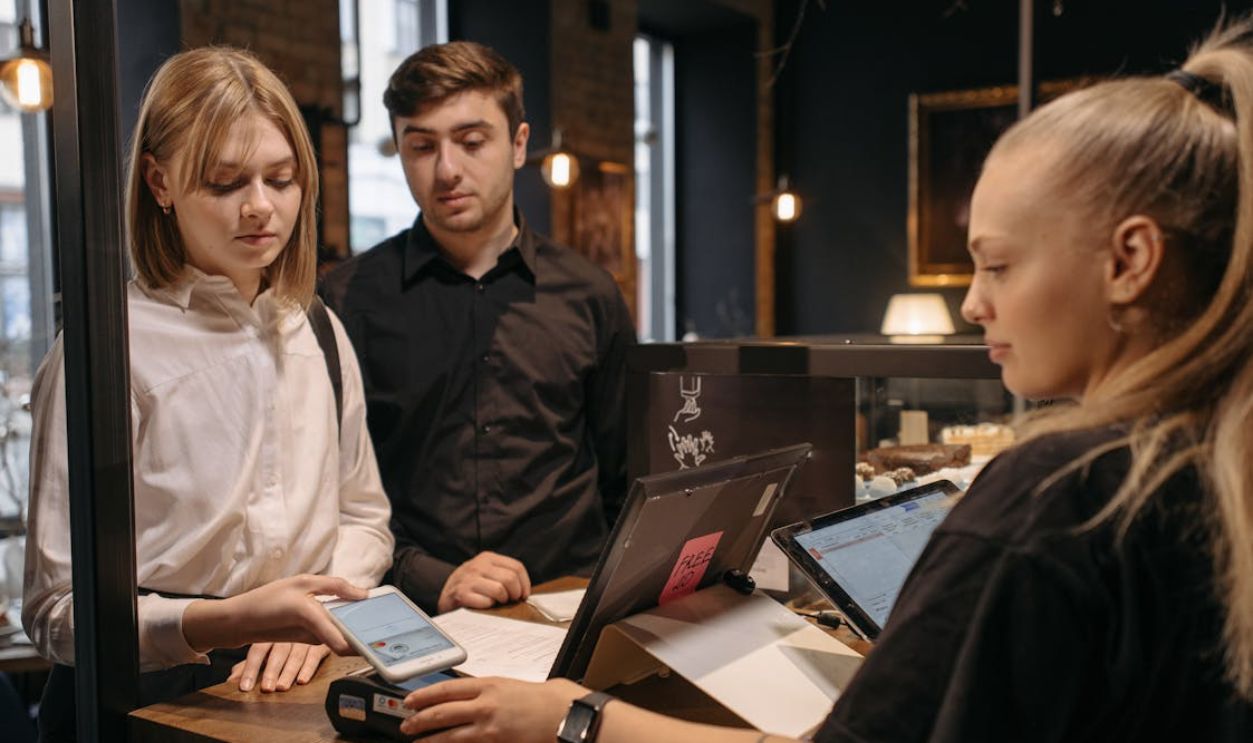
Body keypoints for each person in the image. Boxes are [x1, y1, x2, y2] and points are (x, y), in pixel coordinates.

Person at [397, 19, 1253, 743]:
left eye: (996, 264)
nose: (972, 300)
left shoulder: (1056, 496)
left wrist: (568, 714)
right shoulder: (1209, 460)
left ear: (1129, 260)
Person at [22, 47, 394, 739]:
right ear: (159, 182)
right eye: (225, 183)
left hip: (303, 674)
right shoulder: (107, 349)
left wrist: (319, 614)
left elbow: (365, 517)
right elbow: (55, 612)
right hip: (149, 694)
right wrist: (233, 618)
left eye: (281, 179)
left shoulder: (315, 324)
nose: (261, 207)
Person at [320, 41, 635, 615]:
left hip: (573, 602)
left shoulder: (590, 294)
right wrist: (429, 578)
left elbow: (625, 474)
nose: (446, 170)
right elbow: (330, 497)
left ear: (518, 145)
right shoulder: (345, 300)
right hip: (415, 613)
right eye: (421, 146)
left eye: (471, 142)